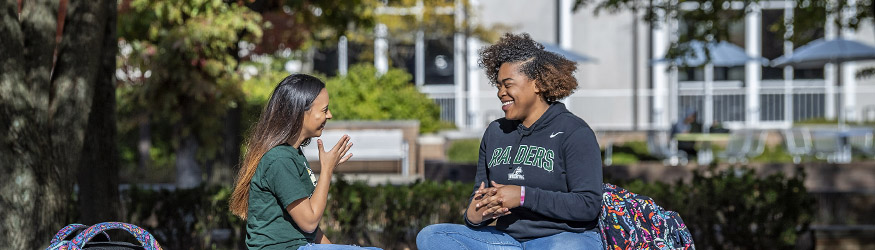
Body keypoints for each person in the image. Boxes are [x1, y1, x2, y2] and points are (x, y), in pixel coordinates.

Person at [416, 33, 604, 250]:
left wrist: (523, 196)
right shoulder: (495, 132)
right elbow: (480, 195)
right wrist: (476, 214)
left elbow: (588, 204)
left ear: (538, 84)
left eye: (508, 85)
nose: (500, 93)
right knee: (432, 236)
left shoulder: (573, 131)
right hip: (508, 241)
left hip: (565, 238)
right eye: (498, 86)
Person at [229, 74, 380, 250]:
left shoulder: (293, 155)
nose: (329, 115)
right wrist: (327, 170)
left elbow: (312, 230)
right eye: (324, 110)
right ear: (300, 113)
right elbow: (309, 222)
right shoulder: (279, 160)